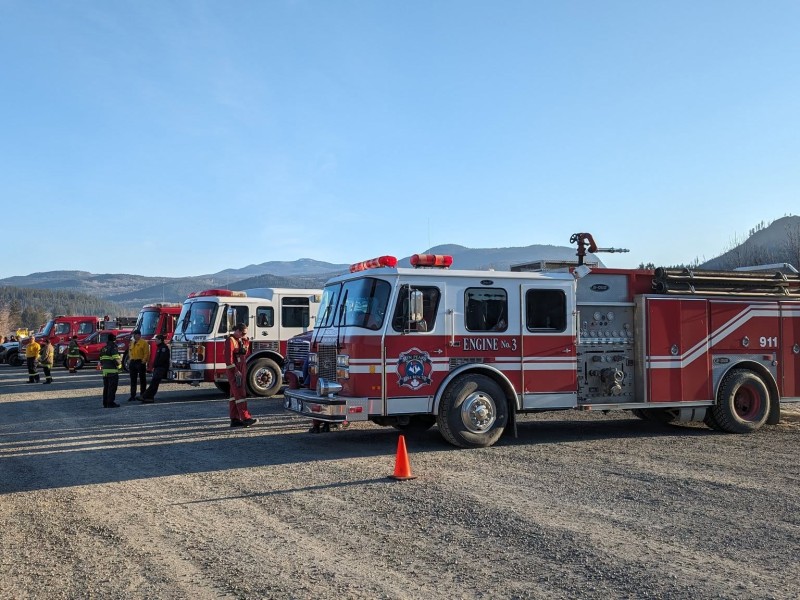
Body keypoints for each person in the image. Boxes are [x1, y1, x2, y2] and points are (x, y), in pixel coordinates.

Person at [224, 323, 257, 428]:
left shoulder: (240, 340)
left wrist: (246, 341)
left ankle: (234, 419)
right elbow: (228, 359)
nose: (243, 335)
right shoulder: (230, 340)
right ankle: (246, 418)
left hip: (241, 369)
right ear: (237, 331)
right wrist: (235, 370)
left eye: (245, 334)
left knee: (234, 396)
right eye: (242, 333)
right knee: (240, 394)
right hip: (235, 371)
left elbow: (245, 353)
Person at [141, 335, 169, 403]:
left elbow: (162, 359)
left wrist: (155, 365)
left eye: (156, 340)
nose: (155, 341)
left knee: (154, 383)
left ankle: (144, 396)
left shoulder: (163, 348)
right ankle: (149, 398)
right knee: (154, 384)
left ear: (160, 340)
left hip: (160, 368)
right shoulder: (160, 347)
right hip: (158, 368)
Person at [99, 333, 122, 408]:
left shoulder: (104, 348)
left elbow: (101, 360)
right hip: (112, 371)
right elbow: (116, 359)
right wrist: (120, 367)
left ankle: (105, 403)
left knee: (106, 388)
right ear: (114, 339)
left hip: (105, 371)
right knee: (112, 388)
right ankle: (110, 403)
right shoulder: (113, 348)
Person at [127, 329, 150, 402]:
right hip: (133, 362)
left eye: (135, 334)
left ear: (139, 335)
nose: (134, 336)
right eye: (133, 334)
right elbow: (130, 352)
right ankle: (132, 395)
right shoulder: (132, 343)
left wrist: (143, 361)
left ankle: (142, 394)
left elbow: (147, 353)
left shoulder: (144, 343)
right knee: (133, 380)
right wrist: (130, 359)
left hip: (140, 362)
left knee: (142, 379)